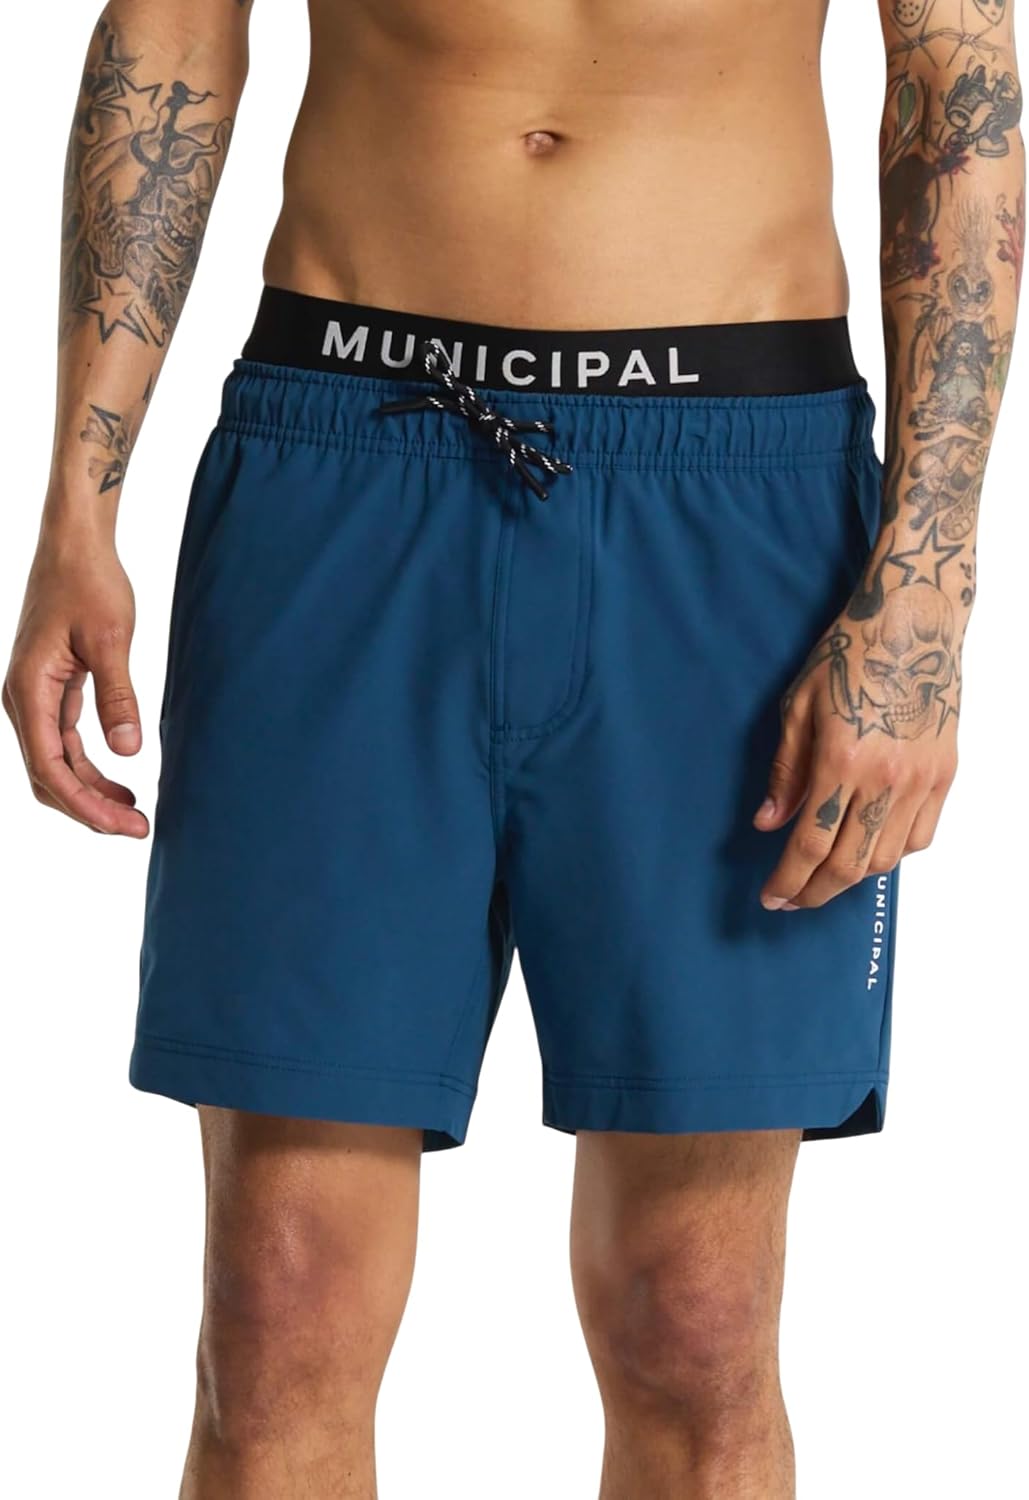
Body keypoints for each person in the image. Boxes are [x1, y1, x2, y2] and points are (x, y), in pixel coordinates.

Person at [4, 1, 1023, 1495]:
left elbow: (954, 81)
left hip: (731, 495)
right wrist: (75, 509)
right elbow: (171, 28)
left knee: (695, 1318)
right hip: (345, 456)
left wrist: (926, 587)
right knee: (278, 1309)